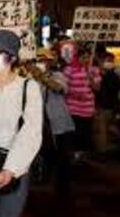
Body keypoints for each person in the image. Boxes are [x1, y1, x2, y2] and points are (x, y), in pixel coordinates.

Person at [0, 30, 43, 217]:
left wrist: (10, 170)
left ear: (11, 58)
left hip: (14, 164)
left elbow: (31, 131)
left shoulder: (28, 88)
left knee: (8, 213)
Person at [29, 53, 75, 197]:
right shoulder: (31, 79)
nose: (42, 63)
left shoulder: (57, 75)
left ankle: (64, 187)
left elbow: (59, 89)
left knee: (63, 156)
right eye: (39, 61)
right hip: (42, 124)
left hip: (59, 122)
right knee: (47, 153)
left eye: (45, 61)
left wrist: (42, 77)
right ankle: (45, 179)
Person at [63, 46, 101, 158]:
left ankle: (81, 153)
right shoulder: (69, 69)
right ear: (77, 58)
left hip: (88, 108)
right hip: (73, 108)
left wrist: (91, 78)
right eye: (83, 57)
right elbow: (64, 88)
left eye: (88, 58)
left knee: (85, 132)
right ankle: (73, 153)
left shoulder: (94, 70)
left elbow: (97, 88)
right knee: (75, 132)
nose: (86, 60)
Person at [97, 52, 120, 147]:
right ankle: (114, 142)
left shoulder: (109, 76)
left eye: (110, 61)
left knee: (105, 127)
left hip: (107, 105)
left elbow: (110, 89)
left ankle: (105, 147)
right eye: (108, 61)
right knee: (109, 126)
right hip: (111, 105)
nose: (109, 63)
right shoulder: (113, 75)